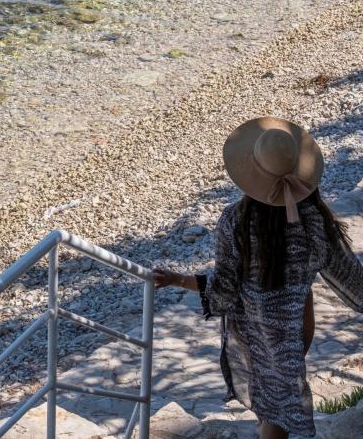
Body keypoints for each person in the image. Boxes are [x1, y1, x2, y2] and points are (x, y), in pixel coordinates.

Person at [153, 117, 363, 439]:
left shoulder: (235, 221)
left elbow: (223, 292)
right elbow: (353, 281)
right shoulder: (315, 221)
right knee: (280, 398)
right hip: (295, 330)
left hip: (254, 332)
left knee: (270, 405)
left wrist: (179, 279)